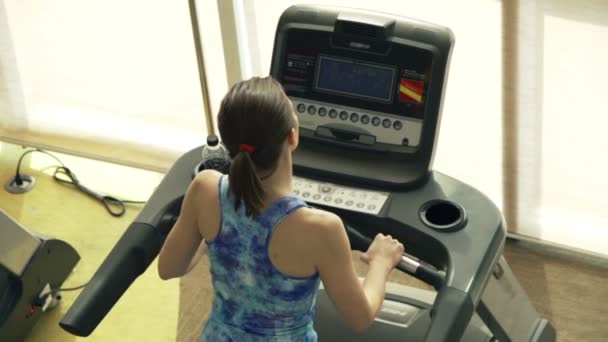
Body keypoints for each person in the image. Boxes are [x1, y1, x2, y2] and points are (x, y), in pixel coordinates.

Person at [158, 76, 404, 341]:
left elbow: (169, 268)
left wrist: (211, 233)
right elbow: (361, 317)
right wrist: (381, 261)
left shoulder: (205, 189)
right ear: (293, 136)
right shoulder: (321, 229)